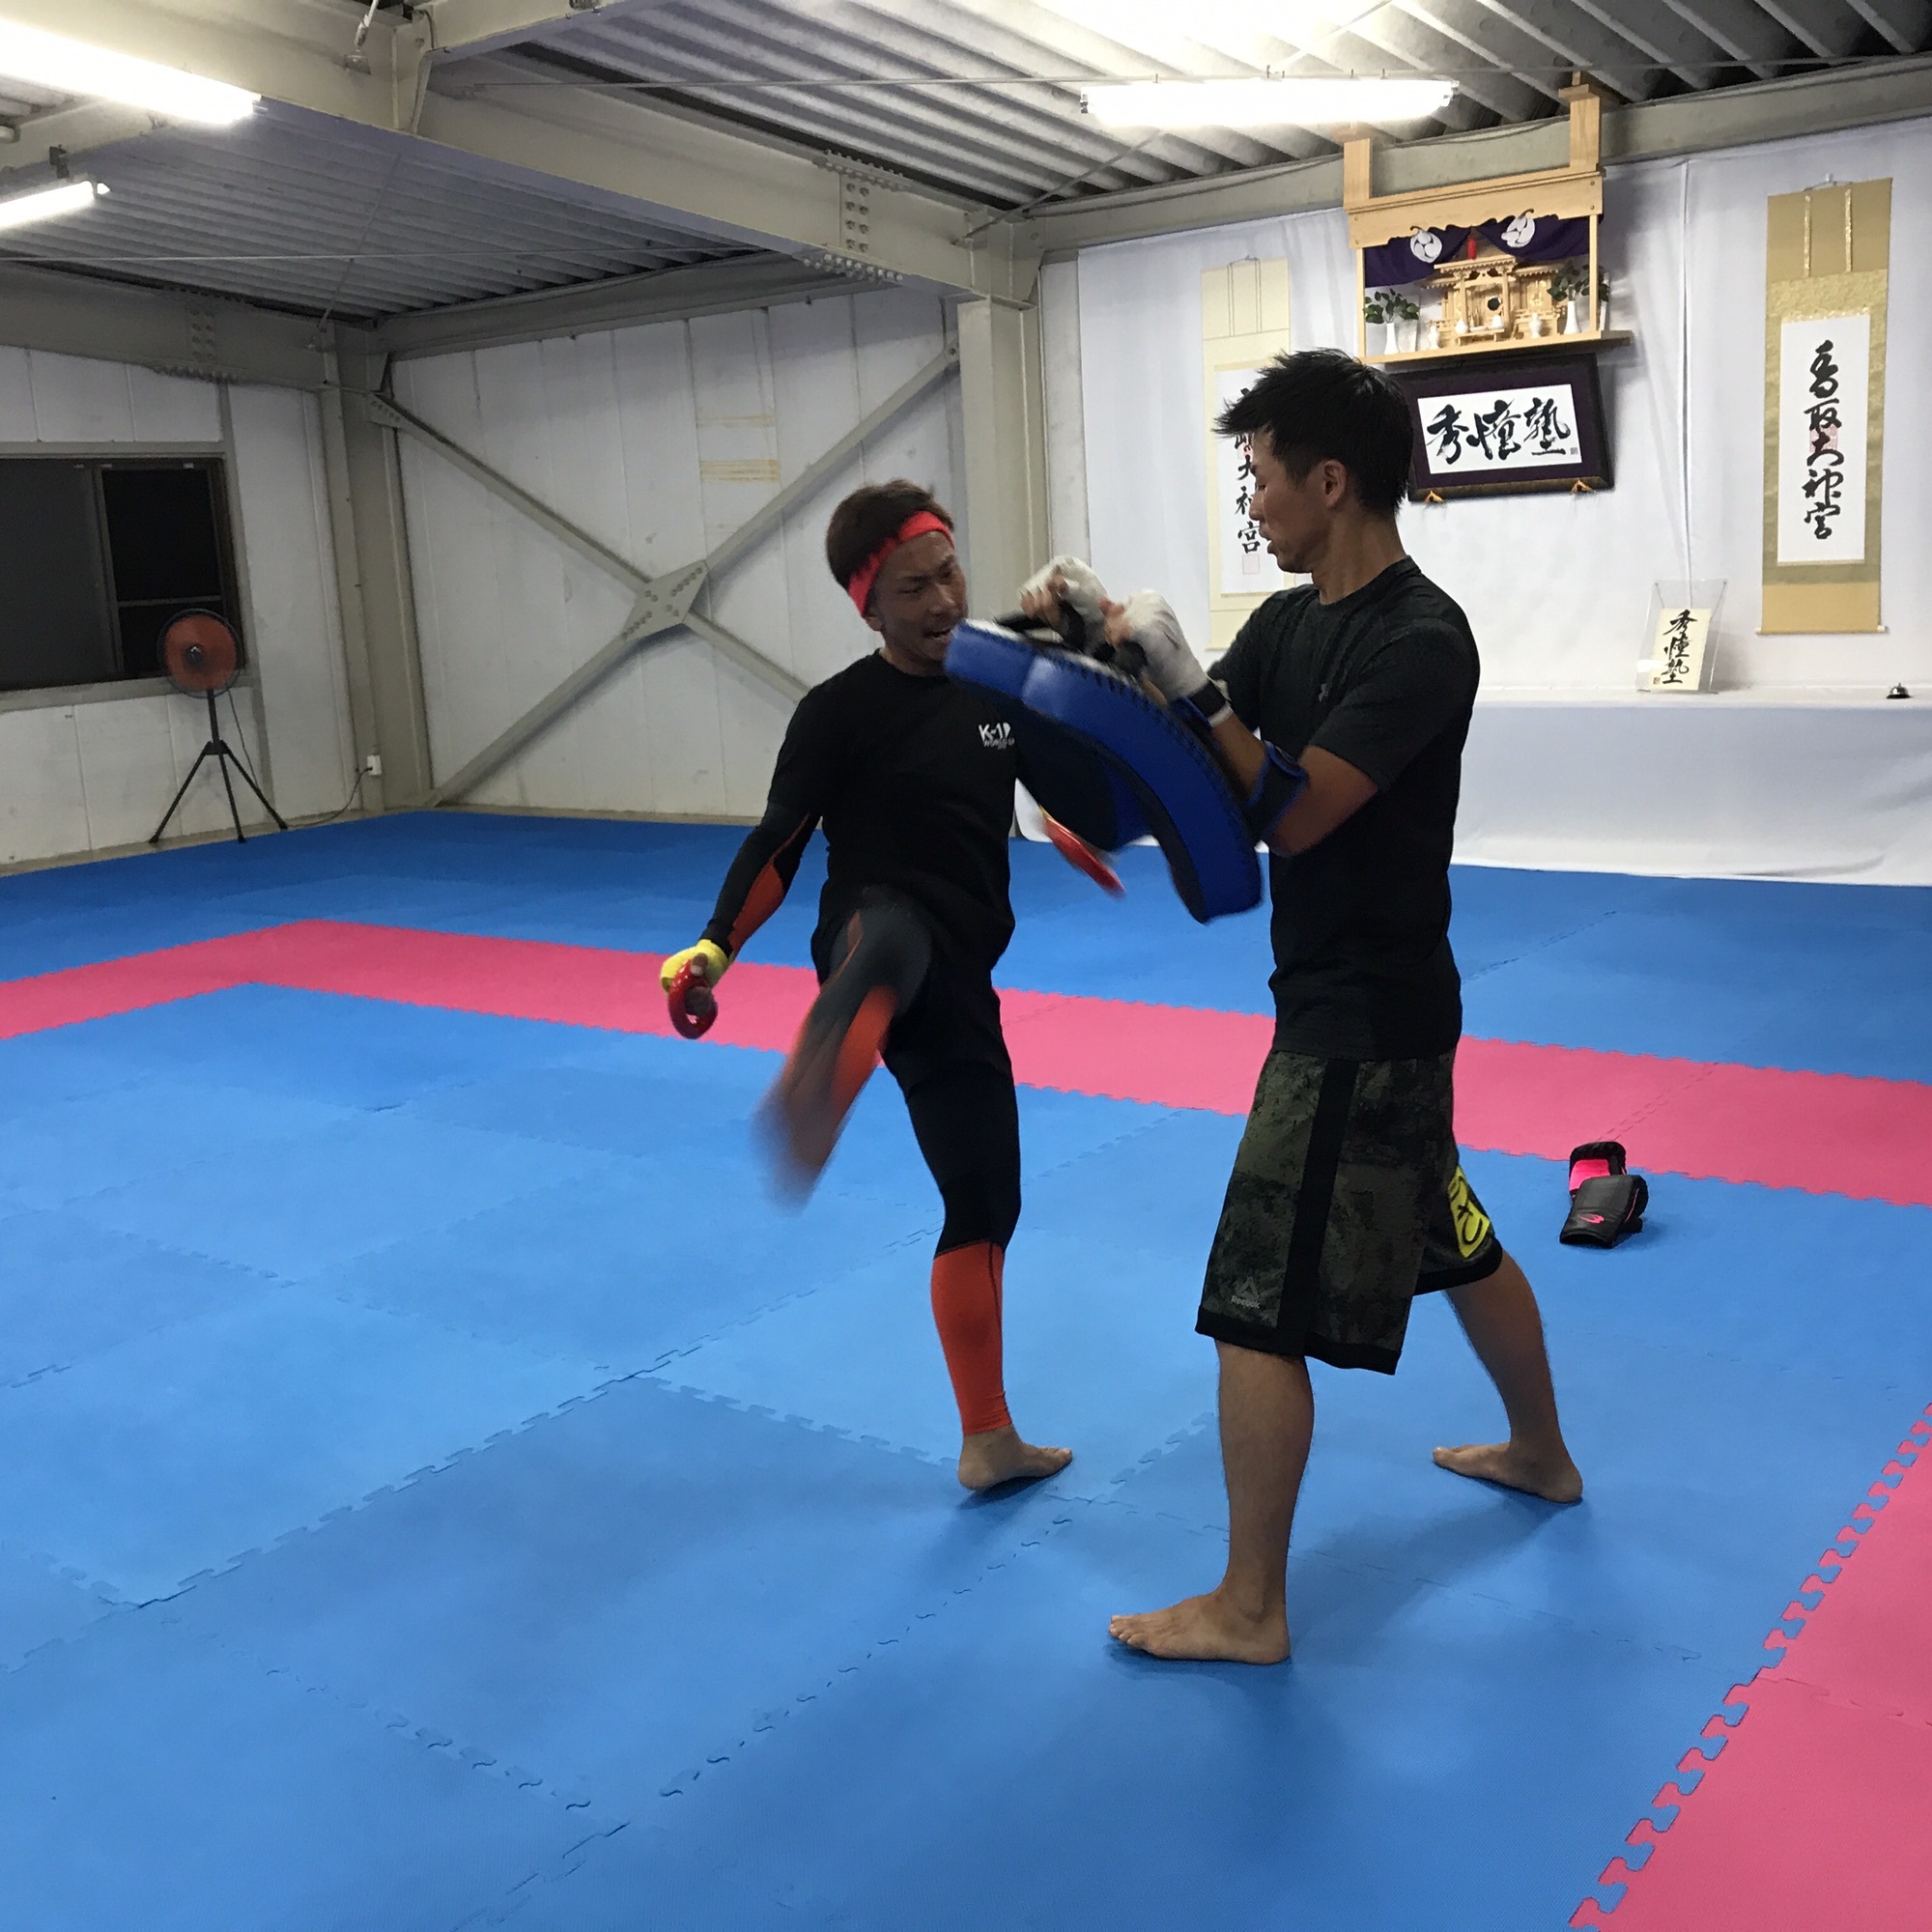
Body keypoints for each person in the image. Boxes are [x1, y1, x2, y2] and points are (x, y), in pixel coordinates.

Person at [1024, 350, 1581, 1664]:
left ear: (1330, 483)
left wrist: (1193, 685)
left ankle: (1250, 1606)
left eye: (1261, 478)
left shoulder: (1420, 639)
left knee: (1253, 1307)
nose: (1253, 503)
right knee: (1447, 1235)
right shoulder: (1286, 627)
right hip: (1364, 1009)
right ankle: (1542, 1455)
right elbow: (1194, 767)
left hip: (1361, 1021)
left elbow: (1299, 812)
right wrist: (1081, 657)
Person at [659, 480, 1073, 1493]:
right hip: (867, 932)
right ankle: (838, 1031)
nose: (942, 601)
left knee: (986, 1197)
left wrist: (1075, 644)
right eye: (911, 589)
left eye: (948, 574)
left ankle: (987, 1439)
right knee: (891, 934)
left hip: (960, 975)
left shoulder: (998, 683)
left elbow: (1068, 772)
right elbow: (780, 843)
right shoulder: (837, 713)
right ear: (868, 608)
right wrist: (714, 946)